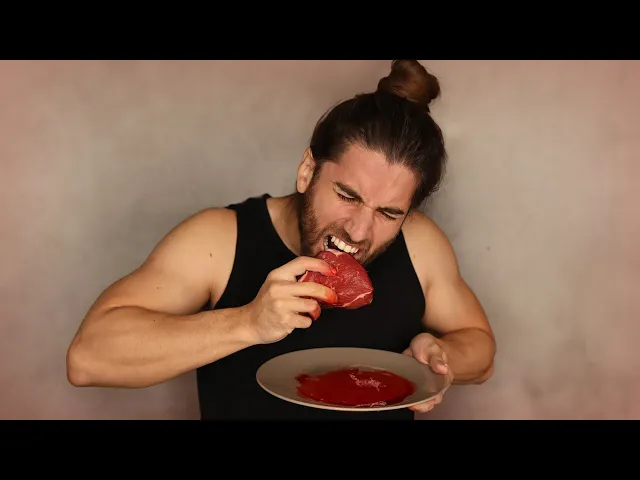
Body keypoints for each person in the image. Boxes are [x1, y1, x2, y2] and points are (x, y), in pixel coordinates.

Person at [66, 60, 496, 420]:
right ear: (308, 172)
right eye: (347, 196)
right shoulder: (219, 239)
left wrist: (439, 355)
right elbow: (88, 358)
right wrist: (246, 322)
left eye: (388, 213)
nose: (359, 232)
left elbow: (479, 348)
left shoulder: (421, 245)